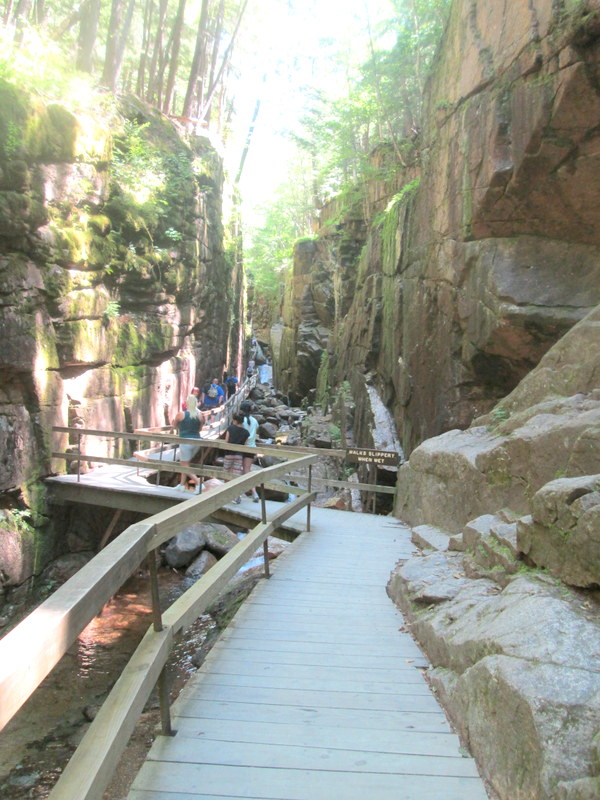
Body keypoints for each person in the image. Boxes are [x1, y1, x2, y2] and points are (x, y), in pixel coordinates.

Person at [172, 394, 203, 494]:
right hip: (197, 441)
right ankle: (181, 485)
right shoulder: (200, 415)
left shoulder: (181, 414)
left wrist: (181, 427)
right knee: (186, 463)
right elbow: (200, 429)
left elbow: (174, 426)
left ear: (187, 403)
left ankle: (198, 482)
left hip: (185, 441)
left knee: (184, 464)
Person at [224, 412, 250, 503]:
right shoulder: (246, 432)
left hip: (229, 454)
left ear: (235, 420)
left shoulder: (230, 428)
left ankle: (225, 493)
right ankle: (237, 496)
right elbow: (245, 444)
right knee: (236, 475)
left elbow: (226, 441)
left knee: (226, 473)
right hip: (239, 455)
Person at [240, 400, 260, 502]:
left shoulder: (241, 421)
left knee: (241, 470)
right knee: (246, 470)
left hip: (242, 448)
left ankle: (243, 493)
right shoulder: (255, 421)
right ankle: (251, 492)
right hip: (252, 447)